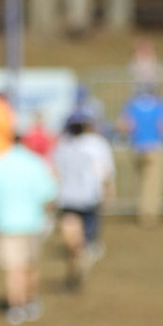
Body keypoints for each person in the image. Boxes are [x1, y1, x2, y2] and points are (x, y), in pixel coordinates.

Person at [0, 132, 58, 325]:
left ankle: (16, 306)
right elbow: (49, 194)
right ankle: (30, 301)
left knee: (13, 268)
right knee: (31, 266)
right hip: (33, 223)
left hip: (6, 224)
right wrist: (46, 216)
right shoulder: (37, 163)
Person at [52, 114, 115, 291]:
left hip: (68, 199)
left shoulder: (62, 148)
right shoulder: (94, 146)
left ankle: (76, 259)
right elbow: (103, 172)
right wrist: (107, 189)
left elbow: (55, 173)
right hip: (87, 198)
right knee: (85, 238)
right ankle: (82, 258)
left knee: (72, 239)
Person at [124, 87, 163, 226]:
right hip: (154, 147)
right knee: (153, 183)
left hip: (137, 148)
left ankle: (142, 212)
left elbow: (126, 126)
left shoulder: (132, 106)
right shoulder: (159, 106)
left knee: (140, 182)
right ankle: (150, 214)